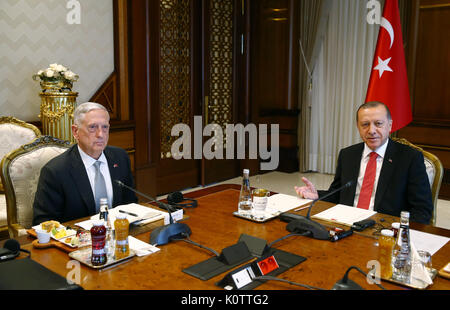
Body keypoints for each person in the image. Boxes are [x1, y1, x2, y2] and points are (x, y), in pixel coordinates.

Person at [295, 101, 433, 224]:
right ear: (358, 126)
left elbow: (422, 210)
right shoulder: (347, 154)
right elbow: (338, 194)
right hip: (345, 223)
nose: (371, 131)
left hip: (384, 229)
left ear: (390, 125)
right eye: (365, 124)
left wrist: (398, 233)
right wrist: (317, 195)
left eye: (378, 124)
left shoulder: (410, 158)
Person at [32, 102, 137, 225]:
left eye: (105, 127)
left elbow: (131, 204)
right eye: (92, 127)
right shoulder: (55, 171)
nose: (100, 134)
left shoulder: (120, 158)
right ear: (75, 131)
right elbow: (43, 222)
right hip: (75, 240)